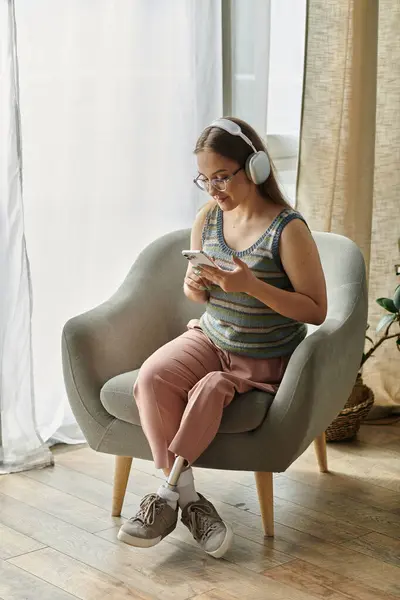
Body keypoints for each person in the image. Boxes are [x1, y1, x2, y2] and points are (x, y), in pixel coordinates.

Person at [117, 117, 327, 558]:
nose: (213, 189)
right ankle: (189, 500)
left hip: (262, 357)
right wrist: (195, 284)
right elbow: (194, 293)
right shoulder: (209, 218)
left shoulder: (288, 229)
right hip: (211, 337)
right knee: (150, 378)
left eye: (222, 177)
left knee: (210, 389)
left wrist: (251, 285)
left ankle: (168, 494)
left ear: (255, 168)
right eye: (205, 179)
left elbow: (316, 309)